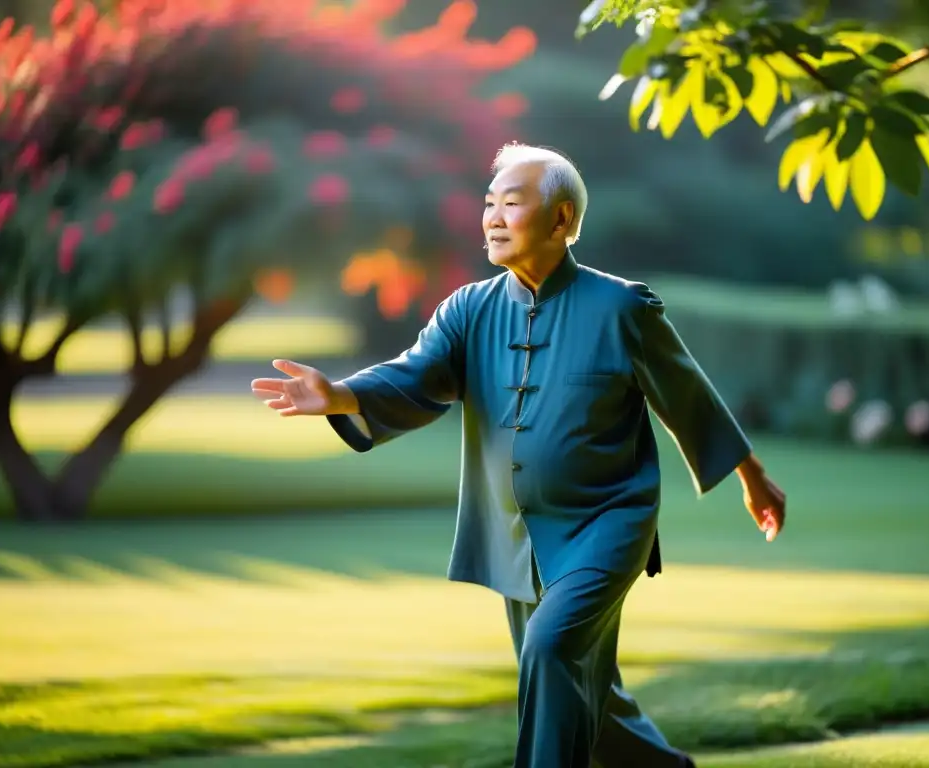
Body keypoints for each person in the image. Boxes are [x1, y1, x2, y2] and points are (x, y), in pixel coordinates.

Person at [251, 142, 787, 768]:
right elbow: (415, 376)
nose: (494, 218)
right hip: (514, 535)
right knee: (586, 689)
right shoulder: (467, 310)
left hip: (607, 525)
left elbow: (687, 395)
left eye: (512, 203)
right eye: (489, 204)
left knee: (550, 651)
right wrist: (341, 395)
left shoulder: (622, 308)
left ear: (561, 220)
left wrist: (752, 475)